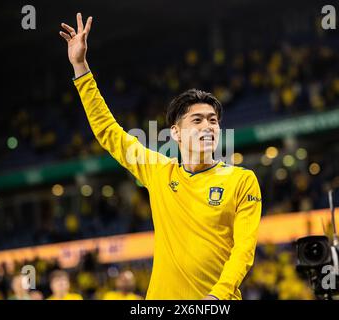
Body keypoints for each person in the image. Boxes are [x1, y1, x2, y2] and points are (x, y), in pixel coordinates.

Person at [59, 13, 262, 300]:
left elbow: (244, 249)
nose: (208, 126)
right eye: (197, 120)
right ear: (176, 134)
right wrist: (80, 66)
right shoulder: (159, 171)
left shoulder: (243, 181)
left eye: (213, 120)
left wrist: (218, 296)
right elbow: (108, 131)